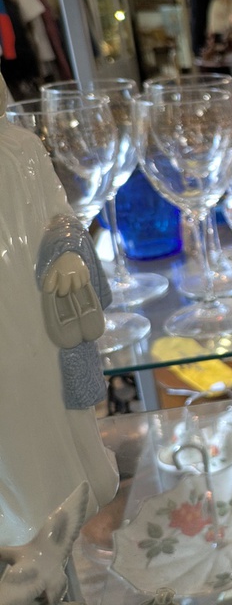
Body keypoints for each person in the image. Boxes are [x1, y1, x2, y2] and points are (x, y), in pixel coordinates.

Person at [0, 72, 118, 546]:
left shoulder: (23, 148)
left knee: (49, 402)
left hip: (34, 307)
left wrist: (69, 251)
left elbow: (59, 213)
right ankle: (23, 524)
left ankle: (66, 500)